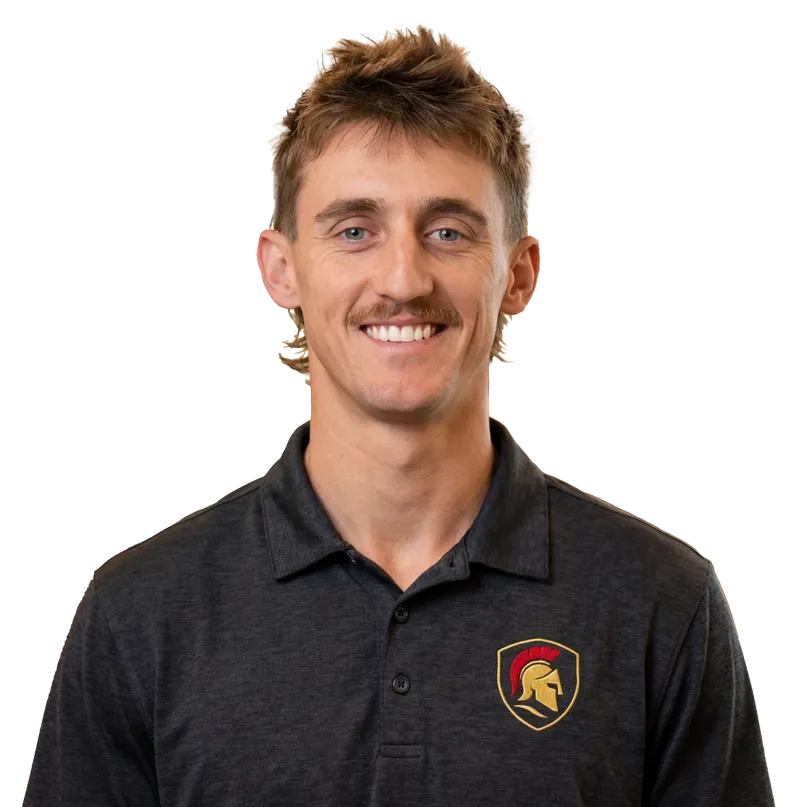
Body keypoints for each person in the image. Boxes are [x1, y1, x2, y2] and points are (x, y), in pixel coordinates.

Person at [24, 24, 775, 807]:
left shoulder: (660, 603)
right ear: (280, 268)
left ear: (519, 274)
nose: (404, 279)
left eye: (448, 231)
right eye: (355, 230)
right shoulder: (141, 614)